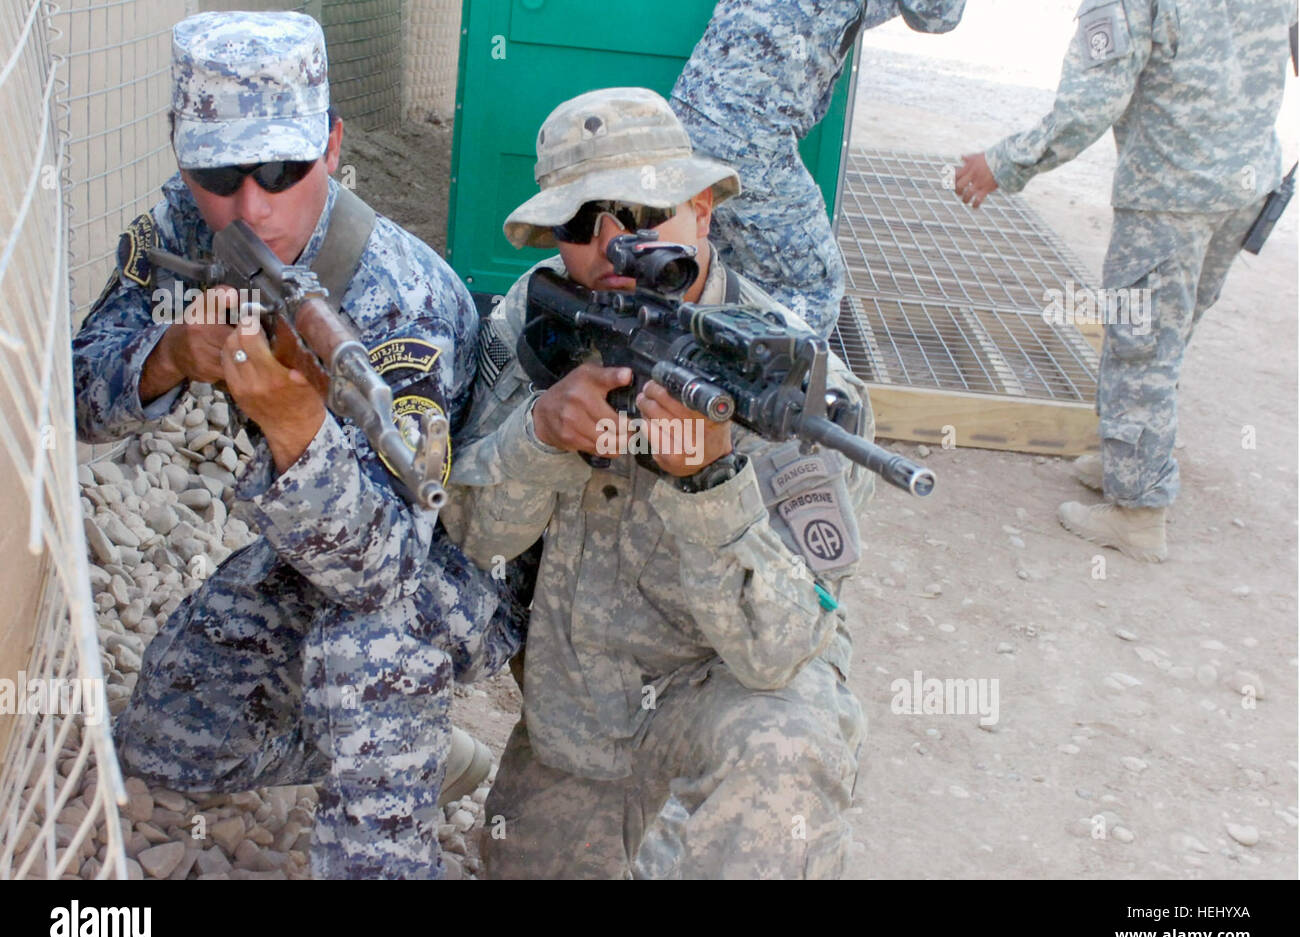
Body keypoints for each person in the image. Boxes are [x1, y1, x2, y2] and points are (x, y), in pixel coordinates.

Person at [72, 11, 509, 879]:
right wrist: (168, 357)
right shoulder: (183, 229)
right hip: (316, 543)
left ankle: (391, 797)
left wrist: (294, 422)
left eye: (282, 168)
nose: (251, 205)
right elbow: (76, 392)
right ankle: (386, 746)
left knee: (365, 657)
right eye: (216, 172)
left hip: (448, 568)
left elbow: (386, 569)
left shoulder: (400, 301)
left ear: (334, 145)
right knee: (166, 743)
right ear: (179, 152)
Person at [441, 87, 874, 879]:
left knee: (787, 753)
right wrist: (538, 435)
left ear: (702, 211)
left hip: (725, 694)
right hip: (579, 718)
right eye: (582, 224)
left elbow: (781, 648)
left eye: (644, 216)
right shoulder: (538, 320)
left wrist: (707, 479)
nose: (613, 251)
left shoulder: (800, 387)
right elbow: (470, 535)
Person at [954, 1, 1293, 562]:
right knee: (1170, 334)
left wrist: (1006, 163)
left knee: (1143, 350)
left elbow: (1091, 103)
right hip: (1245, 185)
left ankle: (1137, 512)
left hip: (1170, 195)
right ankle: (1130, 461)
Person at [670, 0, 967, 337]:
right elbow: (935, 15)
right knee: (813, 286)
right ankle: (767, 384)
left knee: (727, 277)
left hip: (689, 114)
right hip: (747, 135)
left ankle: (694, 372)